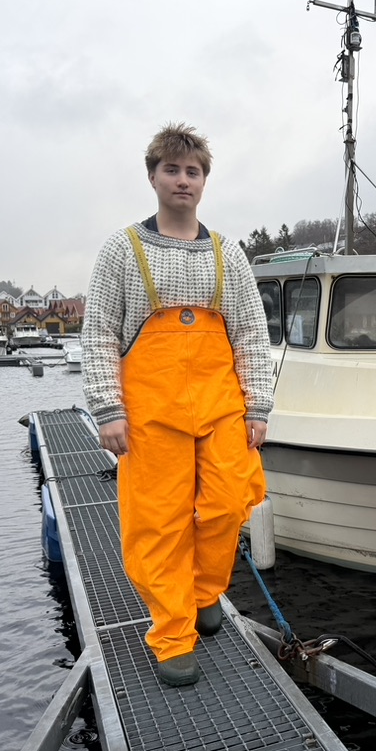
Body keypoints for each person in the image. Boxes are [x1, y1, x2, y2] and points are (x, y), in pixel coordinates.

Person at [81, 122, 273, 687]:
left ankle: (203, 591)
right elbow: (98, 337)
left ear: (204, 181)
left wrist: (258, 406)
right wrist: (107, 409)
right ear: (153, 176)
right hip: (150, 415)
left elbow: (251, 336)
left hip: (220, 407)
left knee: (227, 503)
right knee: (159, 525)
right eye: (172, 170)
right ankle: (171, 634)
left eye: (192, 171)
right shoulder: (123, 249)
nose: (182, 180)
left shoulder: (227, 254)